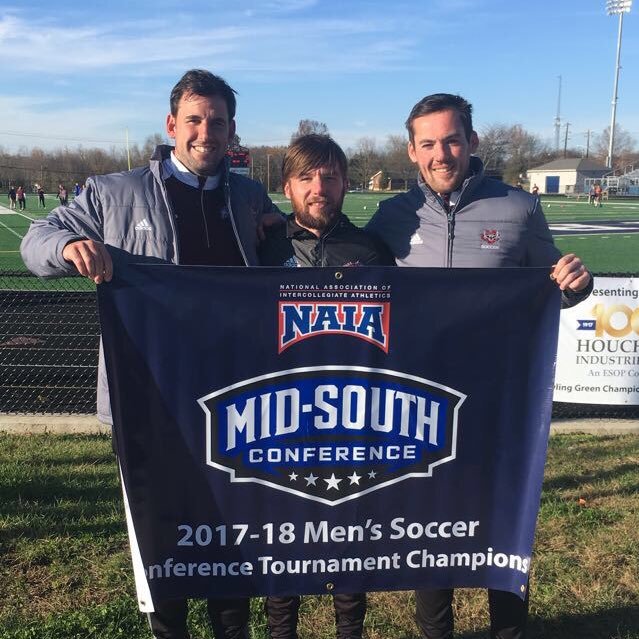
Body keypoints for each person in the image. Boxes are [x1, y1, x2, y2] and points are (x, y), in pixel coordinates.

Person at [21, 68, 281, 639]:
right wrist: (68, 245)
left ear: (232, 131)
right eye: (194, 119)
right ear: (171, 125)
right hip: (150, 402)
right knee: (162, 546)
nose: (205, 132)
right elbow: (34, 240)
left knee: (232, 540)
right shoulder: (114, 192)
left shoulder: (248, 195)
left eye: (217, 122)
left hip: (239, 401)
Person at [365, 93, 592, 639]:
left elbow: (552, 289)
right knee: (427, 526)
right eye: (428, 143)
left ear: (471, 140)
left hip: (500, 403)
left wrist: (577, 287)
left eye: (451, 139)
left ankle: (508, 632)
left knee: (504, 527)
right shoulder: (390, 217)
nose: (441, 153)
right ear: (412, 150)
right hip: (418, 405)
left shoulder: (519, 208)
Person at [259, 134, 392, 639]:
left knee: (350, 536)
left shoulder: (369, 247)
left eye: (330, 176)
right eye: (307, 178)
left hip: (352, 419)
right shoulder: (261, 244)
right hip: (279, 417)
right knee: (282, 538)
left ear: (344, 183)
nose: (320, 188)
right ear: (287, 186)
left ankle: (349, 632)